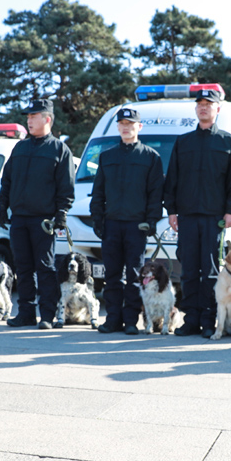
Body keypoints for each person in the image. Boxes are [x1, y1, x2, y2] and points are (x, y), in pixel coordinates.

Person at [164, 88, 231, 339]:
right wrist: (172, 211)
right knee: (188, 270)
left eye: (209, 104)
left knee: (210, 271)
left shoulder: (228, 142)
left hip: (214, 218)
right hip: (187, 217)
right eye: (199, 104)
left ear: (217, 109)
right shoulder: (183, 142)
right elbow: (173, 180)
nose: (203, 107)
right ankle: (191, 321)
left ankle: (209, 320)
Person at [0, 98, 74, 329]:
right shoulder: (20, 148)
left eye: (33, 116)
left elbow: (66, 187)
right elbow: (7, 179)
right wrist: (3, 206)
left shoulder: (60, 149)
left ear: (47, 119)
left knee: (45, 267)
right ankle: (26, 313)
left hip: (44, 220)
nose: (29, 121)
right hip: (20, 217)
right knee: (23, 267)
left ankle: (48, 315)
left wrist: (62, 212)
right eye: (28, 117)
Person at [90, 108, 164, 335]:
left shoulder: (150, 157)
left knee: (134, 276)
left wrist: (151, 220)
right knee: (111, 274)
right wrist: (97, 219)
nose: (125, 127)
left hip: (136, 226)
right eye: (122, 123)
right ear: (118, 127)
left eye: (130, 124)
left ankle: (131, 320)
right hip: (112, 224)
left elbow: (155, 193)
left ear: (139, 127)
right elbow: (98, 192)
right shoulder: (107, 156)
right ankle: (113, 319)